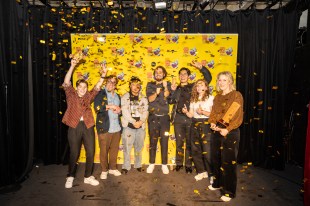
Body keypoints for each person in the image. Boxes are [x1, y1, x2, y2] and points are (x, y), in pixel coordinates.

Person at [62, 58, 106, 189]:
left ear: (86, 89)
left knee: (91, 152)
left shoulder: (88, 96)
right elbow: (66, 82)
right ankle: (70, 176)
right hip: (74, 126)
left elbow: (97, 87)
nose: (82, 89)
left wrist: (103, 75)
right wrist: (72, 66)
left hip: (88, 126)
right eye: (80, 87)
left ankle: (87, 177)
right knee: (74, 153)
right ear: (77, 88)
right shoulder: (71, 95)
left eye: (84, 87)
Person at [170, 61, 212, 174]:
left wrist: (201, 68)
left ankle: (188, 165)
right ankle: (179, 163)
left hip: (190, 118)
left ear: (188, 76)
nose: (182, 76)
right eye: (181, 74)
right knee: (179, 143)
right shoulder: (176, 88)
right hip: (178, 118)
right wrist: (172, 91)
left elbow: (208, 79)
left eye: (185, 74)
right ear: (179, 76)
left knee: (189, 143)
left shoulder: (194, 87)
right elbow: (170, 101)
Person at [208, 71, 243, 202]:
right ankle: (217, 183)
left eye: (224, 80)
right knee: (216, 159)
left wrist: (227, 129)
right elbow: (213, 112)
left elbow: (236, 114)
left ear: (230, 81)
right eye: (219, 80)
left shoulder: (236, 95)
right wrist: (212, 123)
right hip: (217, 131)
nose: (221, 83)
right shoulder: (217, 97)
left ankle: (229, 192)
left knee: (228, 162)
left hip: (230, 132)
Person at [182, 79, 214, 182]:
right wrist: (186, 112)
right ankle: (201, 172)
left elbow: (213, 114)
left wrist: (203, 112)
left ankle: (211, 174)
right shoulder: (193, 99)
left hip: (206, 124)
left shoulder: (210, 98)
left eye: (201, 85)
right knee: (195, 150)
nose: (199, 87)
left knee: (207, 151)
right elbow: (191, 115)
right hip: (194, 124)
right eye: (197, 85)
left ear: (206, 87)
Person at [94, 74, 122, 180]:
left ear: (115, 85)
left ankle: (113, 168)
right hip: (105, 127)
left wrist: (119, 111)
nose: (110, 84)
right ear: (106, 82)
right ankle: (104, 170)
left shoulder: (118, 96)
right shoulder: (100, 93)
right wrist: (110, 106)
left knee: (114, 150)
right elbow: (97, 107)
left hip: (117, 128)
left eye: (113, 82)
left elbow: (119, 111)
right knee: (104, 151)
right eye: (109, 81)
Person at [146, 66, 171, 174]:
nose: (158, 74)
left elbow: (167, 95)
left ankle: (164, 164)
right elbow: (150, 99)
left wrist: (165, 87)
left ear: (164, 74)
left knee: (164, 141)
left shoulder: (168, 84)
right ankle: (152, 163)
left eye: (160, 72)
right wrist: (156, 92)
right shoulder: (150, 85)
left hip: (165, 118)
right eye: (156, 72)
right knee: (153, 141)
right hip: (153, 117)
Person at [121, 76, 149, 174]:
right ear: (130, 85)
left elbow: (146, 111)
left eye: (138, 85)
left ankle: (138, 165)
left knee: (139, 147)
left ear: (140, 86)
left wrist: (141, 122)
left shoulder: (143, 98)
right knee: (127, 148)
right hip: (129, 127)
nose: (135, 87)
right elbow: (124, 111)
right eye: (133, 85)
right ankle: (126, 166)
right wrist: (134, 122)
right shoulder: (125, 97)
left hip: (140, 127)